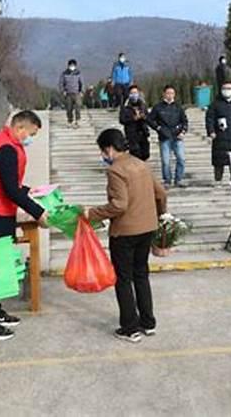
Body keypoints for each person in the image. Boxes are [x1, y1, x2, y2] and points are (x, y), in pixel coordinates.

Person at [83, 129, 167, 343]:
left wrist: (92, 213)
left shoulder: (115, 170)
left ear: (109, 149)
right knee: (141, 274)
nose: (103, 156)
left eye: (103, 151)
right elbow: (161, 194)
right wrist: (160, 216)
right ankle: (148, 322)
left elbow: (119, 205)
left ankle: (130, 327)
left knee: (123, 279)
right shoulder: (141, 164)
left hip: (125, 232)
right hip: (147, 228)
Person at [0, 110, 48, 341]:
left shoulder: (1, 140)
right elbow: (10, 189)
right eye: (31, 134)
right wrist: (38, 211)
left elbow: (6, 181)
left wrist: (29, 190)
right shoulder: (6, 149)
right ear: (20, 128)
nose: (30, 139)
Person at [147, 85, 189, 188]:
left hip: (177, 137)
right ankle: (167, 180)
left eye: (172, 93)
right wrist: (158, 128)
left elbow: (184, 121)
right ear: (164, 94)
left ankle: (178, 179)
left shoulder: (178, 107)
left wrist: (183, 131)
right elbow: (149, 120)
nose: (170, 95)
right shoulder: (158, 107)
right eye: (168, 93)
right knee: (165, 161)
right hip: (164, 137)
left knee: (181, 159)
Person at [119, 84, 150, 161]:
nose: (134, 95)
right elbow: (122, 120)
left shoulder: (143, 105)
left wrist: (144, 117)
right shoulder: (125, 106)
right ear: (129, 94)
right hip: (131, 134)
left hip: (142, 132)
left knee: (145, 154)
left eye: (135, 93)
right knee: (136, 154)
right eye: (132, 93)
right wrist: (133, 118)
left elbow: (149, 117)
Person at [59, 59, 84, 128]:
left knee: (78, 106)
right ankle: (70, 120)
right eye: (71, 65)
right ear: (68, 66)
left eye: (73, 65)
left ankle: (78, 120)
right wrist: (63, 91)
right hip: (68, 93)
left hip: (77, 93)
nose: (72, 66)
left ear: (75, 66)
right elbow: (61, 83)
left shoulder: (78, 73)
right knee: (69, 108)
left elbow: (81, 83)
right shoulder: (64, 74)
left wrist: (82, 91)